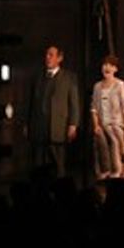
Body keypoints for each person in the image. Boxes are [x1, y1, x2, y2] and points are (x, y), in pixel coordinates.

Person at [26, 43, 80, 177]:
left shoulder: (69, 77)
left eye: (51, 55)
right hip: (39, 127)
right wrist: (27, 124)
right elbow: (30, 102)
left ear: (59, 58)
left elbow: (74, 103)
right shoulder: (38, 77)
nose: (47, 57)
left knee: (58, 165)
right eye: (46, 55)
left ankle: (59, 186)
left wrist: (73, 125)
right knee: (38, 165)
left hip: (58, 127)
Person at [91, 55, 124, 179]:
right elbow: (94, 109)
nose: (107, 67)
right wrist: (96, 125)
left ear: (115, 69)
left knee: (115, 137)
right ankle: (105, 169)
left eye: (111, 65)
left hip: (117, 123)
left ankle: (119, 167)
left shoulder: (120, 85)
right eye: (105, 65)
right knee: (100, 137)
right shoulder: (97, 87)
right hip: (102, 124)